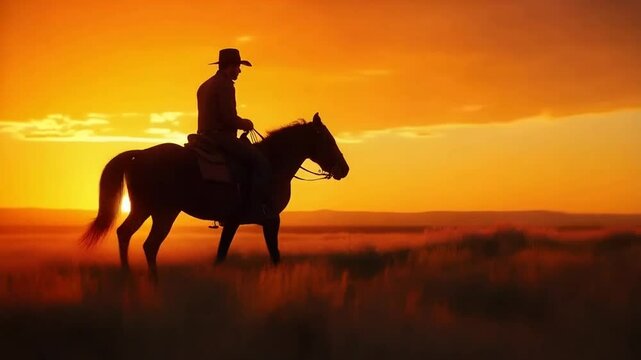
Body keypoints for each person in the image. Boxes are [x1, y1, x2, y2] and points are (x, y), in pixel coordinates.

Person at [197, 48, 274, 221]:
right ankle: (255, 208)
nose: (239, 71)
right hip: (220, 137)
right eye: (237, 66)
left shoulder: (205, 84)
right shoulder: (225, 85)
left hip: (203, 136)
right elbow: (228, 118)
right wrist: (246, 123)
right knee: (260, 162)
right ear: (229, 66)